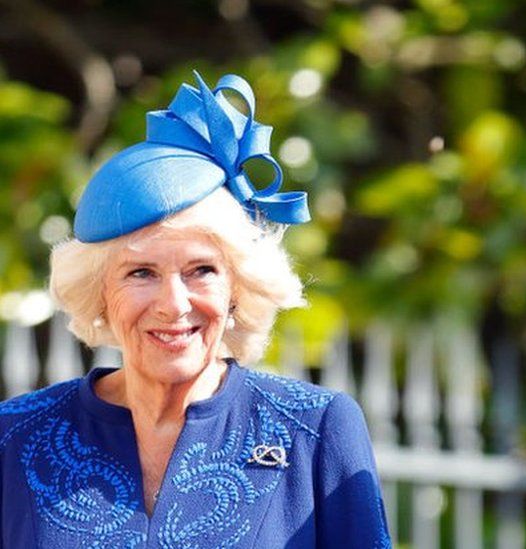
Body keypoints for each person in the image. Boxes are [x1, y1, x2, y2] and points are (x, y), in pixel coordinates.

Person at [0, 72, 391, 547]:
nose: (174, 304)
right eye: (140, 273)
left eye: (201, 270)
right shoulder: (15, 436)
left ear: (236, 288)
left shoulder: (313, 430)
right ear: (100, 292)